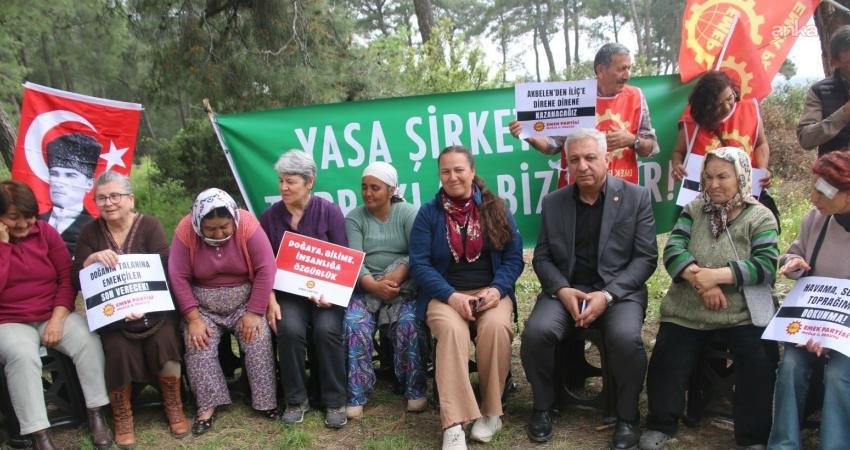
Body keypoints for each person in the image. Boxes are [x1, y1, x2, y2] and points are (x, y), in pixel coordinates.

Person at [520, 128, 658, 448]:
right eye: (575, 160)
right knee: (536, 333)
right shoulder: (554, 203)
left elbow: (645, 259)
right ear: (566, 164)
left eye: (590, 158)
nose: (583, 166)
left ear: (606, 160)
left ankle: (627, 417)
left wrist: (608, 295)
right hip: (567, 291)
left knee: (626, 339)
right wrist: (563, 291)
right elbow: (542, 258)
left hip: (618, 293)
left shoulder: (636, 197)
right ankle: (542, 407)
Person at [640, 147, 780, 450]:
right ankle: (661, 422)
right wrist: (702, 283)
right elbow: (674, 250)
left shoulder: (760, 216)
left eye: (722, 176)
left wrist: (717, 276)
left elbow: (767, 265)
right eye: (708, 177)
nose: (713, 184)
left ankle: (752, 436)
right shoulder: (694, 209)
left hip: (740, 310)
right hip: (689, 305)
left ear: (742, 177)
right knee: (667, 355)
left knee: (759, 359)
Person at [409, 145, 524, 450]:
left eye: (459, 169)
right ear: (439, 175)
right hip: (446, 296)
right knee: (451, 331)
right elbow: (419, 263)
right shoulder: (429, 213)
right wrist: (451, 296)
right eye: (445, 171)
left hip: (490, 292)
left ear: (472, 171)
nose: (452, 176)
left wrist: (497, 289)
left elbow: (514, 258)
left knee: (495, 328)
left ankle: (491, 411)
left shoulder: (495, 207)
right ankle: (454, 423)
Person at [73, 171, 188, 448]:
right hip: (114, 315)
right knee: (116, 348)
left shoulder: (149, 225)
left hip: (154, 310)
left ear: (130, 199)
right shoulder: (90, 232)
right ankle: (122, 413)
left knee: (165, 340)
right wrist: (90, 259)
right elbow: (77, 275)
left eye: (115, 196)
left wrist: (142, 304)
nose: (108, 202)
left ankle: (173, 403)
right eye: (101, 198)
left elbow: (163, 266)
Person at [0, 180, 112, 450]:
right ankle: (40, 434)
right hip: (9, 320)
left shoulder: (45, 233)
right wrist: (3, 247)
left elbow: (66, 277)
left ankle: (97, 413)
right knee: (22, 357)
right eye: (15, 218)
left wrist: (58, 318)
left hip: (53, 311)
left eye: (28, 217)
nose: (25, 224)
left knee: (88, 340)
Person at [169, 188, 278, 435]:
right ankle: (207, 406)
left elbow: (266, 268)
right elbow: (177, 275)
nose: (219, 234)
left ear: (233, 220)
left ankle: (265, 402)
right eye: (211, 229)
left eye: (224, 227)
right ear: (199, 223)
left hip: (244, 303)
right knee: (198, 343)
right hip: (203, 308)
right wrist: (193, 318)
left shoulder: (247, 224)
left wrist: (254, 311)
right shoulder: (186, 230)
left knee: (258, 339)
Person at [260, 149, 349, 429]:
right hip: (287, 295)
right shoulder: (270, 218)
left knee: (326, 331)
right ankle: (297, 399)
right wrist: (270, 300)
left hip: (326, 296)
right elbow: (263, 267)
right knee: (289, 329)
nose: (284, 188)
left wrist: (330, 295)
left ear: (309, 182)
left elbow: (344, 262)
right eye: (281, 181)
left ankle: (334, 401)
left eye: (291, 182)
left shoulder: (330, 213)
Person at [767, 150, 850, 450]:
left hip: (846, 330)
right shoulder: (816, 219)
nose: (813, 198)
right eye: (812, 188)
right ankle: (783, 444)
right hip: (813, 319)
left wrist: (835, 336)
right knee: (790, 367)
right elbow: (794, 251)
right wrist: (792, 262)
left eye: (822, 191)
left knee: (841, 375)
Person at [509, 43, 659, 187]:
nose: (627, 75)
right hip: (578, 194)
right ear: (600, 70)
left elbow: (652, 148)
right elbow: (553, 146)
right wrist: (528, 134)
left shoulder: (636, 96)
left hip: (623, 193)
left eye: (629, 68)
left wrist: (633, 141)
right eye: (621, 69)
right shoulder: (577, 96)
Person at [343, 161, 426, 419]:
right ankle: (358, 392)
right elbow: (355, 261)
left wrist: (396, 279)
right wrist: (374, 286)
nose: (368, 193)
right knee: (353, 324)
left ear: (391, 190)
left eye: (375, 188)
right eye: (364, 187)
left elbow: (418, 253)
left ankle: (414, 389)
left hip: (403, 285)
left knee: (409, 323)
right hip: (366, 286)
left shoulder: (409, 213)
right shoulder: (354, 218)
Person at [671, 70, 771, 187]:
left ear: (734, 91)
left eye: (729, 98)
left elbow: (761, 144)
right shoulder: (691, 123)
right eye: (718, 105)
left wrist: (762, 170)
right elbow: (678, 152)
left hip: (748, 191)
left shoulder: (749, 111)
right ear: (706, 106)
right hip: (704, 195)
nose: (727, 107)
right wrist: (677, 165)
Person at [38, 133, 100, 254]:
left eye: (70, 175)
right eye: (54, 174)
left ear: (89, 184)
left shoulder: (96, 229)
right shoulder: (36, 221)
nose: (59, 182)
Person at [798, 25, 850, 157]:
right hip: (834, 174)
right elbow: (806, 139)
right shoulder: (819, 92)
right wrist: (843, 114)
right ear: (835, 62)